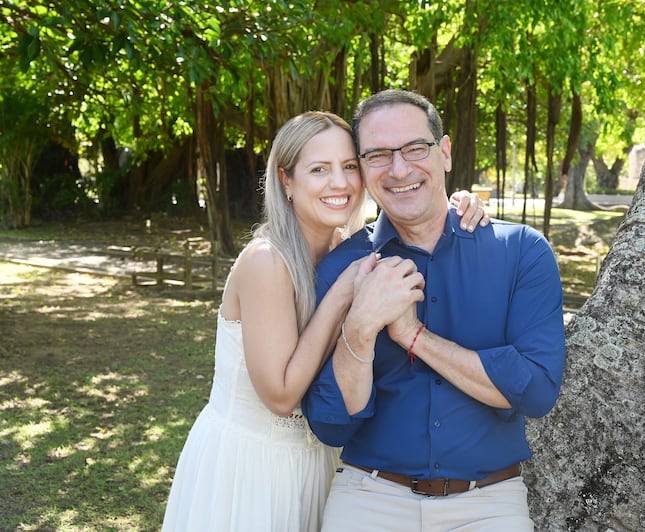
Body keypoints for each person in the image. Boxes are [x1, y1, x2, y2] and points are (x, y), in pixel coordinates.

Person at [162, 110, 489, 531]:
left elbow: (420, 223)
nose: (340, 183)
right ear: (286, 180)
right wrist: (340, 295)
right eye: (319, 169)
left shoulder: (348, 250)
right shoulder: (267, 262)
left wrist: (458, 206)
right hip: (252, 466)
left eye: (349, 167)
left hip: (320, 464)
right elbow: (280, 396)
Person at [302, 90, 567, 531]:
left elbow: (537, 391)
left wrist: (413, 336)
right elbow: (331, 425)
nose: (400, 168)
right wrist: (363, 326)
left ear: (444, 153)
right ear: (364, 170)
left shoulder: (521, 252)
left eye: (415, 148)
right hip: (369, 498)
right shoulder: (343, 268)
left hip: (489, 504)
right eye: (379, 155)